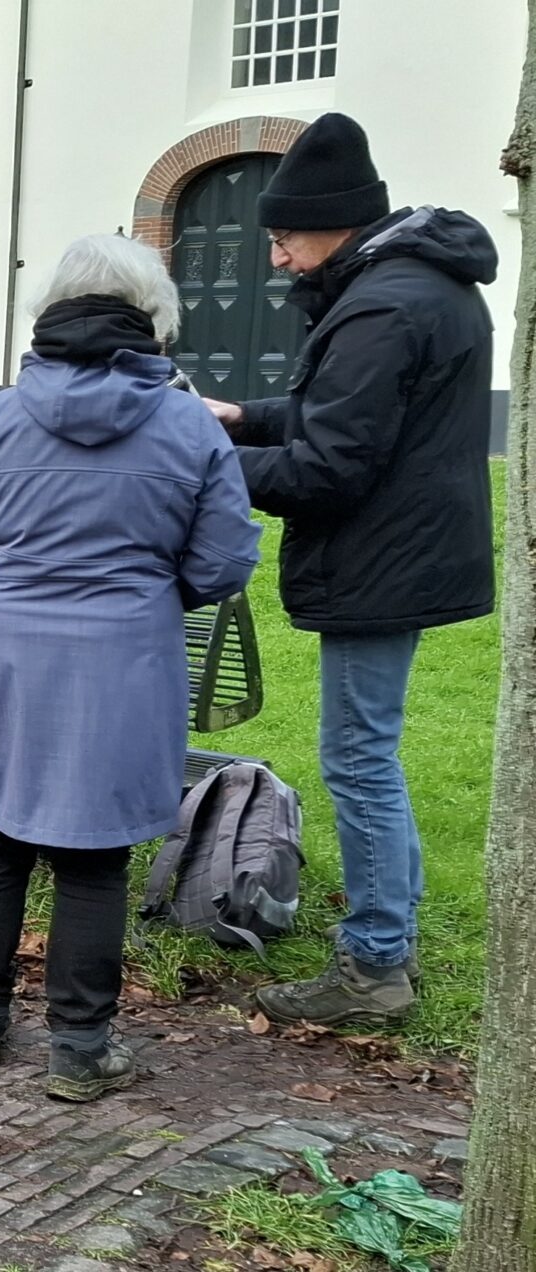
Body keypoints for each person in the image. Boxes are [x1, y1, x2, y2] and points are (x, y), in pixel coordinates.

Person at [0, 234, 262, 1102]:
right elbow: (222, 566)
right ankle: (78, 1049)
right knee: (94, 857)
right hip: (124, 659)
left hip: (7, 661)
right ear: (152, 319)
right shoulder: (187, 424)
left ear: (51, 315)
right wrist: (142, 587)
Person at [201, 114, 497, 1031]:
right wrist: (244, 415)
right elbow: (345, 412)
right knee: (372, 754)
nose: (280, 260)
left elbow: (330, 470)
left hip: (382, 556)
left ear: (331, 224)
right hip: (408, 548)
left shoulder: (379, 306)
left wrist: (197, 464)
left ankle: (374, 964)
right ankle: (386, 940)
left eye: (284, 239)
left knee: (360, 760)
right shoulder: (416, 286)